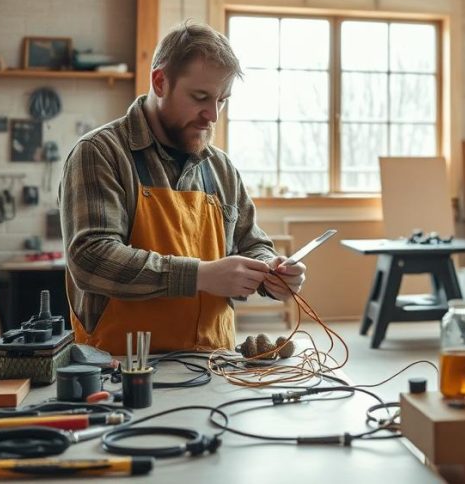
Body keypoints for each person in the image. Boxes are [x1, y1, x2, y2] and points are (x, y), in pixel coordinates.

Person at [60, 22, 305, 356]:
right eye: (200, 98)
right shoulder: (100, 153)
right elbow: (91, 259)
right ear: (161, 82)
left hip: (214, 364)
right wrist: (199, 276)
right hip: (118, 368)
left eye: (222, 100)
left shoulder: (221, 168)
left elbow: (251, 242)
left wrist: (271, 272)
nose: (212, 116)